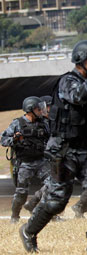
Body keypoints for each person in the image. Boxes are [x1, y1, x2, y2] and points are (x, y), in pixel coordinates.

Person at [19, 40, 87, 253]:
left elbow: (84, 112)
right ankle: (28, 231)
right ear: (81, 62)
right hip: (63, 151)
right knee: (57, 201)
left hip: (85, 150)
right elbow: (77, 97)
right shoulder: (68, 81)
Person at [1, 96, 50, 224]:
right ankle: (15, 216)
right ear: (30, 110)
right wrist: (15, 139)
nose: (41, 111)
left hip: (41, 161)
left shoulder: (44, 123)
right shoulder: (17, 123)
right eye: (38, 109)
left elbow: (52, 139)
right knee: (21, 192)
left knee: (52, 185)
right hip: (25, 163)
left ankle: (35, 204)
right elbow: (4, 140)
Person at [22, 95, 64, 222]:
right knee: (53, 185)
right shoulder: (42, 123)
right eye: (48, 106)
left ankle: (33, 203)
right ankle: (44, 211)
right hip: (45, 158)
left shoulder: (50, 121)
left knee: (52, 184)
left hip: (53, 157)